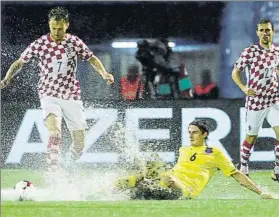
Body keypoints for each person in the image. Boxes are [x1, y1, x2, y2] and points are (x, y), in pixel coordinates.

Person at [0, 7, 114, 177]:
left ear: (67, 25)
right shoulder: (40, 44)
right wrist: (6, 79)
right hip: (49, 94)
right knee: (55, 133)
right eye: (53, 28)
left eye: (60, 28)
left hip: (71, 96)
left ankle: (67, 167)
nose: (56, 32)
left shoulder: (74, 42)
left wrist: (104, 73)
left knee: (79, 145)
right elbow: (19, 62)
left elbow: (92, 58)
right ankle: (54, 171)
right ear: (49, 25)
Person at [115, 120, 277, 200]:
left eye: (195, 132)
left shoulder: (215, 153)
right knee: (135, 177)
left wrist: (261, 191)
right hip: (167, 182)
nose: (190, 135)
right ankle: (99, 194)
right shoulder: (184, 150)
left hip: (185, 190)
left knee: (166, 177)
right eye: (189, 132)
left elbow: (236, 175)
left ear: (204, 134)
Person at [231, 18, 279, 180]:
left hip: (273, 99)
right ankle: (243, 166)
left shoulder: (277, 51)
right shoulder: (250, 52)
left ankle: (277, 169)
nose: (265, 33)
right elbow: (235, 72)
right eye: (262, 30)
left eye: (268, 30)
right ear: (257, 33)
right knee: (251, 136)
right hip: (256, 101)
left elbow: (277, 70)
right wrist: (244, 88)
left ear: (273, 31)